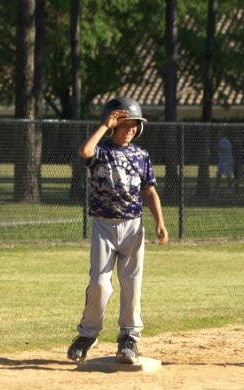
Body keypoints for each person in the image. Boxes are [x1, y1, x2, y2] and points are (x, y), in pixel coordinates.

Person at [67, 96, 168, 364]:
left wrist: (160, 222)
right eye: (125, 124)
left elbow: (150, 191)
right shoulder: (102, 151)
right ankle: (87, 334)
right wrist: (104, 125)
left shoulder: (141, 155)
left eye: (135, 125)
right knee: (100, 284)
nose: (131, 129)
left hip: (133, 226)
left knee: (131, 283)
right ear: (113, 125)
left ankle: (129, 337)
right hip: (104, 225)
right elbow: (85, 152)